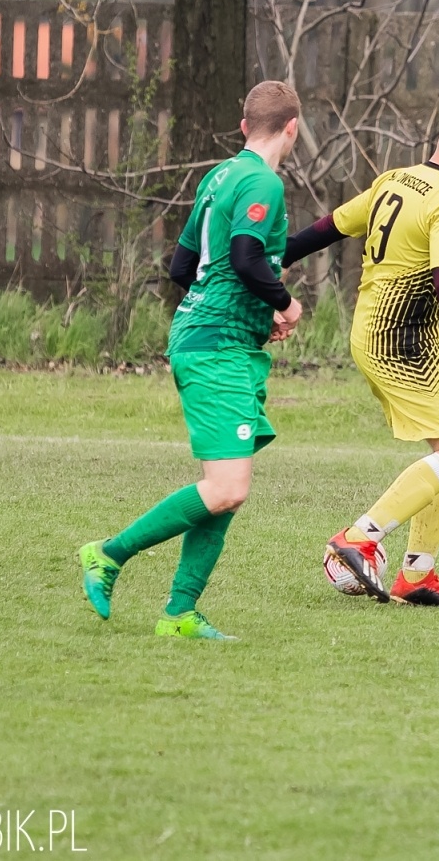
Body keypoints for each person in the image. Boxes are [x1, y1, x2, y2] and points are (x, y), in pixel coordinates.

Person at [78, 80, 305, 641]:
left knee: (225, 486)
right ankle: (108, 554)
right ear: (293, 128)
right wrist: (284, 302)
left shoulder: (219, 177)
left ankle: (180, 612)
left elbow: (183, 267)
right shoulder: (262, 183)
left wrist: (251, 314)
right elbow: (248, 258)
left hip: (215, 338)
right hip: (218, 347)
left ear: (244, 123)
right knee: (228, 487)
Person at [281, 104, 439, 608]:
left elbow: (330, 226)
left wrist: (273, 259)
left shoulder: (398, 179)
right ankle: (360, 536)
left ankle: (417, 576)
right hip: (404, 342)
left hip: (380, 334)